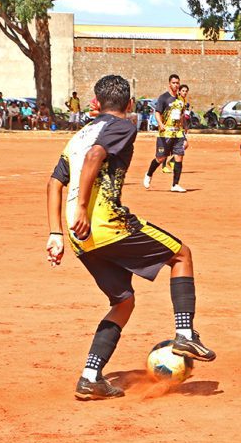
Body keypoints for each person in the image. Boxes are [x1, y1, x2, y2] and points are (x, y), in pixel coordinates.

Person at [45, 74, 215, 401]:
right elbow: (97, 155)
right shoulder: (123, 124)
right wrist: (82, 207)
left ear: (95, 103)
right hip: (106, 224)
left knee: (123, 301)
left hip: (79, 237)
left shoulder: (79, 135)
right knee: (181, 254)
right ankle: (184, 333)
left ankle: (91, 377)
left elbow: (54, 183)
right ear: (130, 104)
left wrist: (56, 232)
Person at [143, 74, 187, 192]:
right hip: (165, 133)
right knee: (161, 158)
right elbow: (157, 113)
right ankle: (149, 173)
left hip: (177, 133)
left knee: (179, 157)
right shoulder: (164, 98)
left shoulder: (181, 99)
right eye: (174, 83)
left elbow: (182, 115)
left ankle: (175, 184)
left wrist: (184, 131)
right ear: (169, 84)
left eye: (177, 83)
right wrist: (160, 124)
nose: (176, 85)